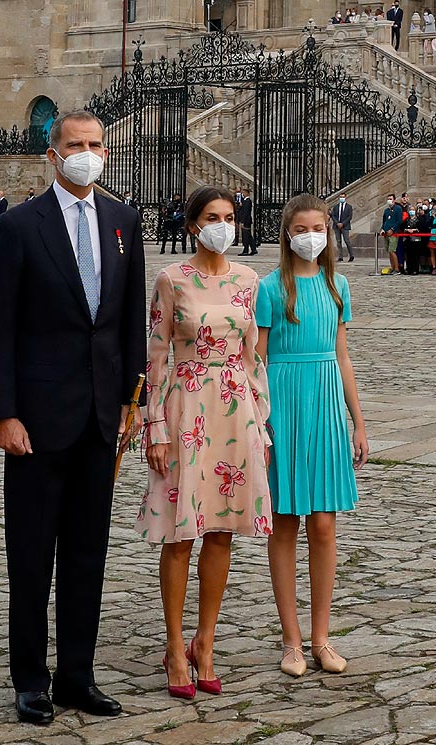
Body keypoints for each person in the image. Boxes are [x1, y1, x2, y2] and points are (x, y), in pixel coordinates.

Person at [0, 110, 146, 725]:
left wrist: (132, 401)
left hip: (102, 417)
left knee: (86, 553)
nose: (86, 153)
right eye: (75, 144)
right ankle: (30, 678)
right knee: (31, 553)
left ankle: (78, 673)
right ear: (54, 154)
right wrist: (4, 412)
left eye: (96, 144)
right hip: (37, 421)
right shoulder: (22, 225)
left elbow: (128, 323)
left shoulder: (124, 222)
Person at [136, 186, 273, 701]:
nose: (223, 225)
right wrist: (155, 425)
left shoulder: (248, 280)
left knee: (222, 531)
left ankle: (205, 641)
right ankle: (174, 646)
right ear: (193, 224)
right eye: (213, 217)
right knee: (179, 535)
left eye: (230, 217)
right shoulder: (171, 279)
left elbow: (253, 356)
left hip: (235, 410)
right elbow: (156, 355)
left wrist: (262, 420)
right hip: (185, 408)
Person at [256, 193, 368, 678]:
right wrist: (256, 421)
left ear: (328, 231)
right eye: (302, 228)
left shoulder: (337, 283)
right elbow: (256, 360)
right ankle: (291, 640)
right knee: (285, 522)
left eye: (318, 227)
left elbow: (342, 356)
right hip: (281, 403)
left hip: (323, 406)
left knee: (323, 524)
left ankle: (322, 637)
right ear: (287, 233)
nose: (311, 236)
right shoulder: (269, 288)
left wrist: (358, 421)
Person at [380, 193, 403, 274]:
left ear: (394, 200)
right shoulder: (386, 210)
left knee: (392, 250)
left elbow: (399, 221)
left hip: (393, 233)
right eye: (388, 199)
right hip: (386, 233)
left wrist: (392, 229)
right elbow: (384, 221)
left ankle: (396, 268)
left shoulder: (398, 209)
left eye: (391, 199)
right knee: (389, 251)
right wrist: (382, 229)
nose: (389, 200)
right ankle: (392, 267)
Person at [330, 193, 354, 262]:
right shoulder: (336, 206)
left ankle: (351, 255)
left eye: (343, 197)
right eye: (341, 197)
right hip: (336, 226)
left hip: (345, 226)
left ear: (345, 197)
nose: (342, 198)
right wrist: (337, 223)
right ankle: (340, 256)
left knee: (347, 241)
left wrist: (343, 223)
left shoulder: (349, 207)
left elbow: (349, 216)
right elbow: (333, 215)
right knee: (338, 241)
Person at [238, 188, 256, 255]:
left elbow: (245, 213)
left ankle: (246, 250)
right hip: (246, 220)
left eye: (244, 192)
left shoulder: (248, 201)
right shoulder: (244, 201)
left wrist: (242, 222)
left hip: (246, 221)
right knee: (248, 236)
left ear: (248, 193)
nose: (243, 194)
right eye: (243, 193)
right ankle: (253, 249)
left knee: (246, 236)